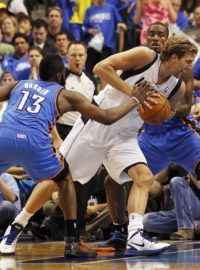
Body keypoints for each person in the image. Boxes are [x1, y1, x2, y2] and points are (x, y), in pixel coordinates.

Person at [0, 54, 153, 257]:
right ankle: (72, 241)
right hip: (34, 143)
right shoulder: (65, 94)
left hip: (4, 137)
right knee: (64, 180)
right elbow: (107, 118)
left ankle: (14, 232)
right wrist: (135, 100)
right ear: (60, 74)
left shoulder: (17, 84)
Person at [60, 34, 197, 256]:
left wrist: (156, 111)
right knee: (61, 176)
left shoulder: (177, 87)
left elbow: (165, 114)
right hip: (99, 122)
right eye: (188, 61)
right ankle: (18, 225)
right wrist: (133, 93)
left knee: (144, 178)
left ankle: (134, 235)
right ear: (174, 56)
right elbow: (101, 68)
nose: (190, 66)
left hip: (126, 135)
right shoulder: (145, 56)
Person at [97, 21, 200, 251]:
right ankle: (121, 231)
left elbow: (186, 106)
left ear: (169, 45)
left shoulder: (182, 71)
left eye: (160, 36)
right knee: (112, 181)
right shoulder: (140, 61)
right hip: (150, 137)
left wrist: (160, 107)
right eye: (151, 34)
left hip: (179, 132)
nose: (155, 39)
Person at [143, 164, 200, 240]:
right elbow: (157, 179)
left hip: (196, 205)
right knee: (146, 220)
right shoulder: (176, 163)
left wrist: (189, 166)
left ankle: (186, 229)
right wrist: (169, 161)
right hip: (181, 214)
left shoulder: (195, 159)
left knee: (177, 181)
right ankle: (195, 226)